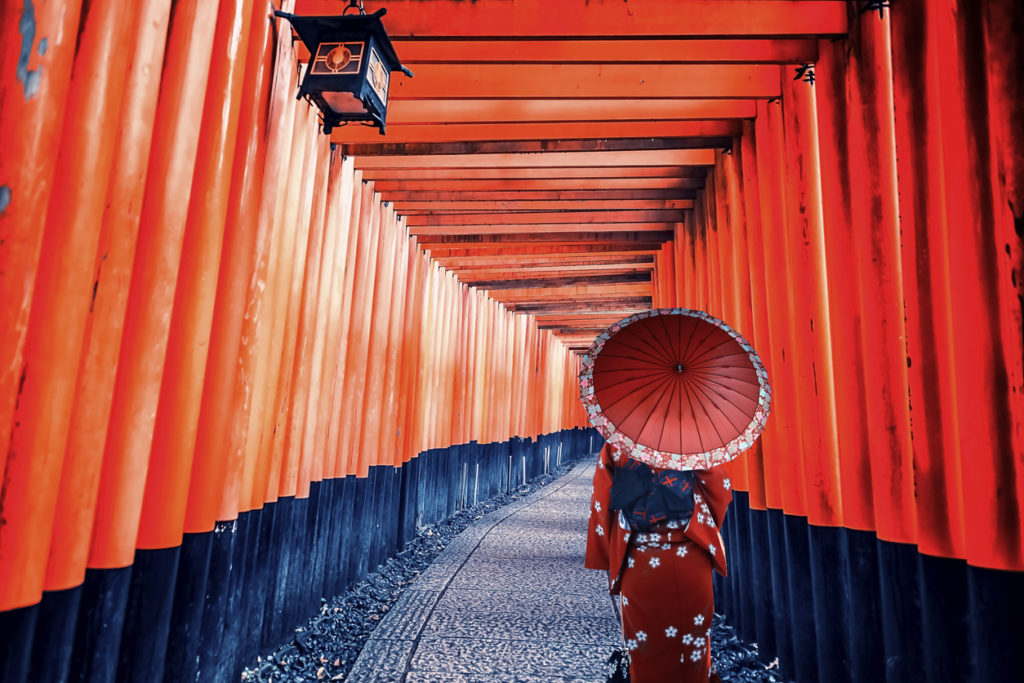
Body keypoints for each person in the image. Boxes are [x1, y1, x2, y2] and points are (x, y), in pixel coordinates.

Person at [585, 442, 732, 682]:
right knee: (692, 652)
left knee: (645, 651)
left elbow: (602, 502)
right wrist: (704, 527)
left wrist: (607, 554)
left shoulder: (617, 444)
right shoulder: (695, 442)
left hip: (640, 562)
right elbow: (720, 489)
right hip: (691, 561)